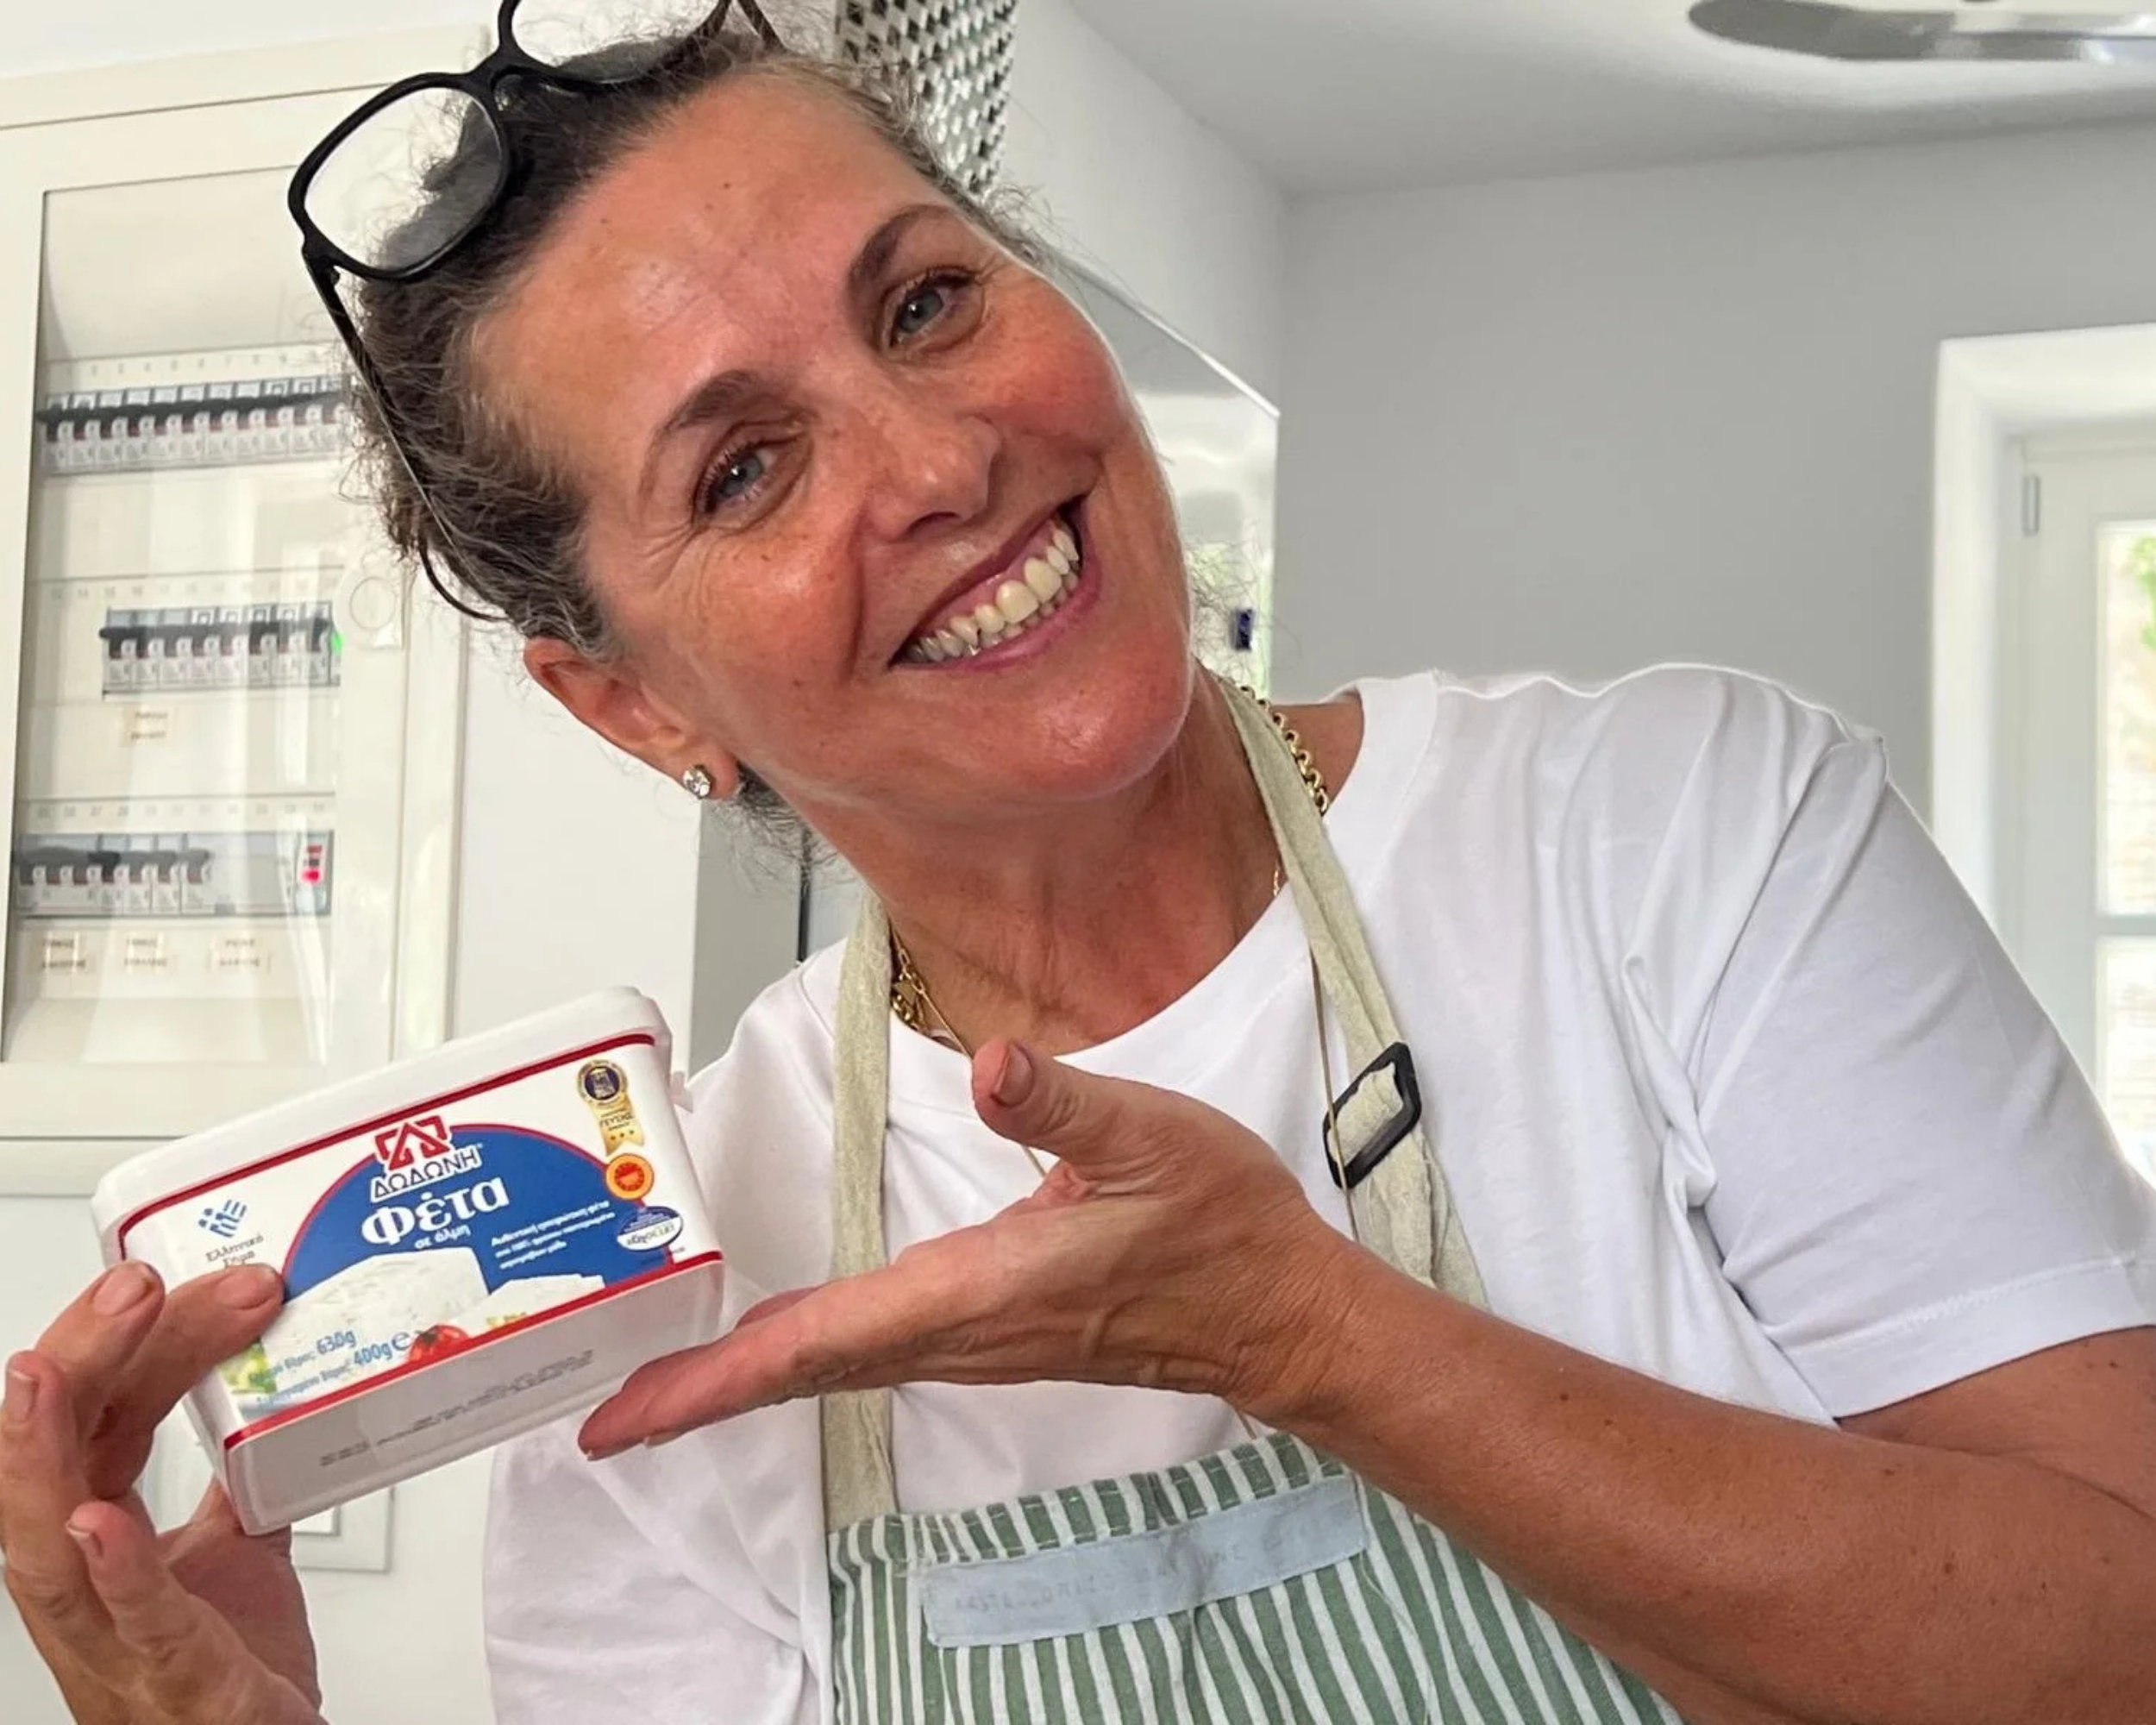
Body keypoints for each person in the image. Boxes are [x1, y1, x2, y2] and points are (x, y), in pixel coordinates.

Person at [7, 7, 2156, 1722]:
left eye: (928, 305)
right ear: (631, 706)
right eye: (746, 467)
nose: (945, 463)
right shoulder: (682, 1271)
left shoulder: (1674, 833)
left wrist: (1315, 1337)